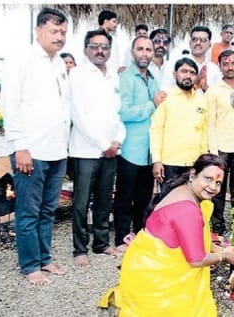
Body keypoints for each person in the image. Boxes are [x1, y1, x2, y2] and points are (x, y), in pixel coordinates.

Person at [100, 154, 234, 316]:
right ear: (193, 175)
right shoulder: (188, 209)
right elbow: (196, 260)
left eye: (218, 182)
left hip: (141, 267)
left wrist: (217, 249)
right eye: (208, 179)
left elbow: (191, 237)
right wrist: (224, 257)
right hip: (155, 283)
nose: (213, 187)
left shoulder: (183, 188)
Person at [1, 7, 70, 285]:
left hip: (56, 151)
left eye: (63, 32)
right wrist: (20, 146)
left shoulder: (58, 63)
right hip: (31, 151)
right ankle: (30, 266)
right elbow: (10, 104)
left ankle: (44, 259)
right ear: (39, 30)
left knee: (47, 210)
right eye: (54, 31)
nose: (60, 36)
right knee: (28, 212)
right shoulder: (22, 59)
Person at [69, 29, 126, 266]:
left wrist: (117, 141)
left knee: (104, 198)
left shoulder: (113, 76)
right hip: (86, 150)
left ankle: (101, 243)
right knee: (81, 202)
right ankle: (79, 249)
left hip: (111, 150)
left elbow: (117, 114)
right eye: (94, 46)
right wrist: (104, 144)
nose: (100, 50)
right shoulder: (77, 74)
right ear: (85, 49)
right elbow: (79, 115)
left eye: (104, 47)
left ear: (110, 51)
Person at [113, 35, 165, 252]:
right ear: (133, 52)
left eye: (148, 50)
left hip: (149, 150)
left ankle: (141, 236)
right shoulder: (125, 78)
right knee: (125, 197)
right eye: (140, 49)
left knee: (145, 197)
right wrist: (151, 104)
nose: (145, 53)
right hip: (130, 149)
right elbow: (123, 112)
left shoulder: (154, 79)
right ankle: (121, 239)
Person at [206, 50, 234, 235]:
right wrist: (213, 152)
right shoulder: (214, 90)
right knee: (218, 190)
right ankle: (217, 227)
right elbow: (210, 122)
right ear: (220, 66)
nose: (230, 67)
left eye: (233, 63)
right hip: (220, 147)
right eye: (226, 63)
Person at [151, 57, 209, 186]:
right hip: (170, 163)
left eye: (192, 73)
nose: (188, 76)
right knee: (169, 202)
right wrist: (157, 160)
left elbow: (204, 131)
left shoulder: (202, 100)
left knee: (190, 203)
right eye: (184, 71)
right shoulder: (165, 97)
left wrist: (204, 160)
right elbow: (156, 130)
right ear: (174, 74)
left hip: (194, 163)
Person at [161, 26, 221, 93]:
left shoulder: (214, 69)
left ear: (210, 44)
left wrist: (205, 88)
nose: (198, 43)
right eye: (194, 39)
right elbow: (165, 90)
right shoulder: (174, 62)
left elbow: (218, 96)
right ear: (190, 43)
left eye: (203, 40)